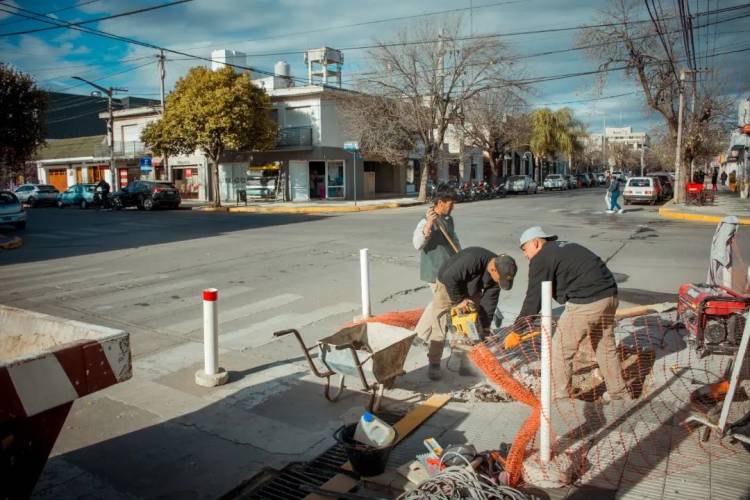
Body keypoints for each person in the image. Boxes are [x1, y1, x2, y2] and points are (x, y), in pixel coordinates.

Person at [516, 226, 630, 402]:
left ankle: (559, 399)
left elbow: (533, 297)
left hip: (587, 302)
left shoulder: (541, 257)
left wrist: (518, 329)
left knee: (559, 348)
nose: (525, 255)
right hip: (610, 297)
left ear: (536, 243)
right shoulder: (564, 247)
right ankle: (619, 393)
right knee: (604, 345)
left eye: (525, 249)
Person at [421, 247, 517, 380]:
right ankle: (434, 363)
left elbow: (490, 301)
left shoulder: (499, 271)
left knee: (472, 326)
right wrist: (459, 301)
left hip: (472, 287)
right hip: (447, 284)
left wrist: (484, 326)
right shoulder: (473, 260)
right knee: (440, 323)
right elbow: (450, 277)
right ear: (493, 269)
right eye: (499, 279)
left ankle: (466, 365)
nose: (499, 283)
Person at [412, 190, 460, 288]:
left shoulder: (448, 219)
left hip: (449, 270)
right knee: (444, 302)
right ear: (440, 203)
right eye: (450, 204)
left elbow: (454, 240)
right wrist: (429, 223)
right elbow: (417, 245)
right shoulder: (425, 220)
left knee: (446, 302)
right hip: (436, 273)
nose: (453, 207)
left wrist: (460, 255)